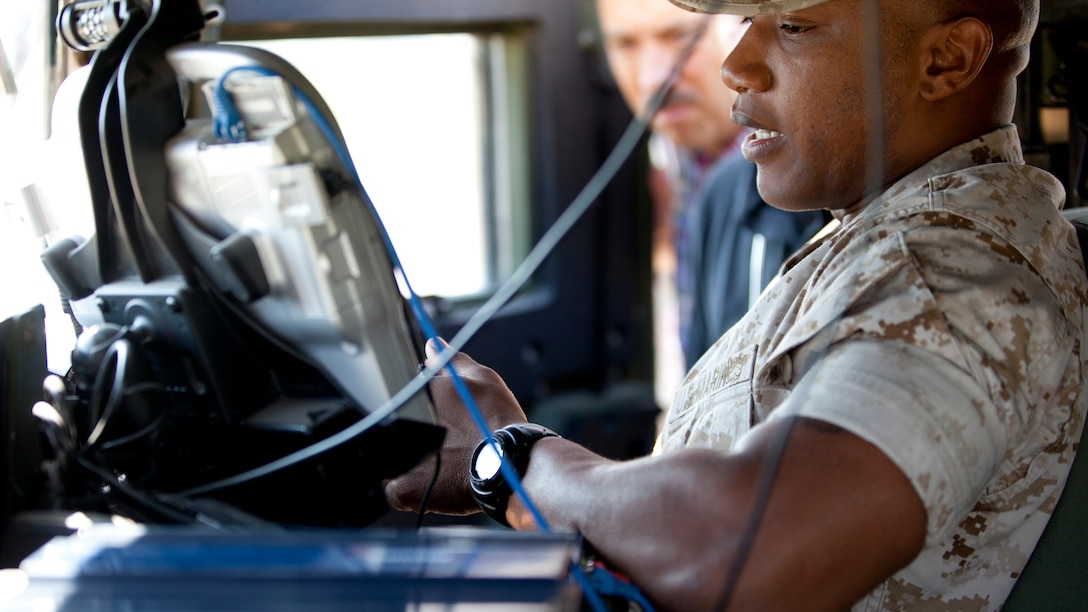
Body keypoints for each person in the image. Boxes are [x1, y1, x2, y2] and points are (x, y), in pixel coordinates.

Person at [386, 0, 1088, 609]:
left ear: (946, 59)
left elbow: (754, 555)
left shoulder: (948, 272)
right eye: (749, 20)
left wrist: (508, 459)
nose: (737, 63)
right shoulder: (882, 232)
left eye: (793, 26)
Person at [594, 0, 825, 402]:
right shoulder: (664, 167)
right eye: (625, 44)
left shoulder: (811, 180)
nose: (653, 77)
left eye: (681, 37)